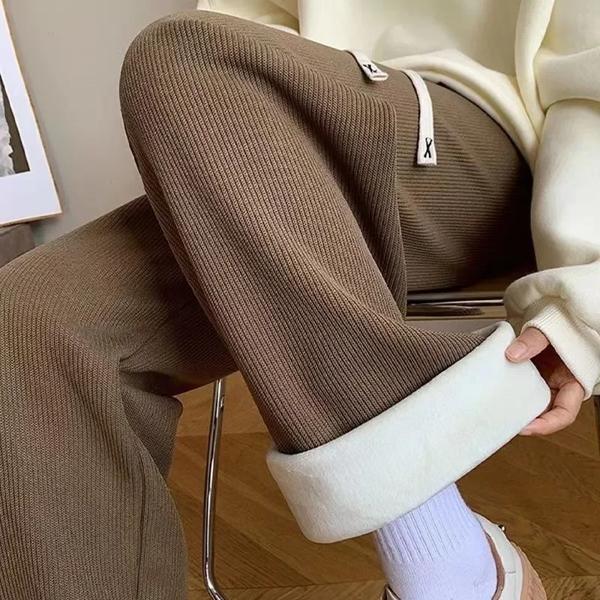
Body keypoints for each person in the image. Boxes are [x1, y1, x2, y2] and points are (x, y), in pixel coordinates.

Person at [0, 2, 598, 599]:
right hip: (295, 134)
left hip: (498, 145)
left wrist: (583, 301)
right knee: (29, 317)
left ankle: (447, 563)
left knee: (190, 52)